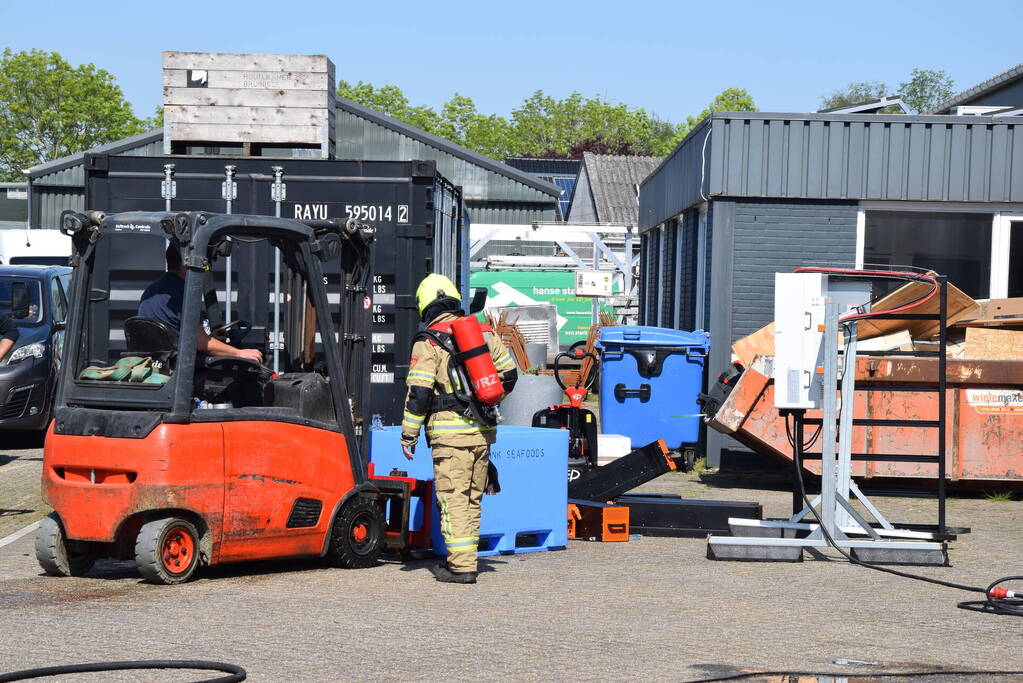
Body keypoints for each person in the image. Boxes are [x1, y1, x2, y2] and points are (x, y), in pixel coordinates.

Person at [399, 274, 517, 584]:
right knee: (472, 498)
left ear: (425, 306)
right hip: (483, 433)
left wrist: (409, 434)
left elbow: (419, 393)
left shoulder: (428, 341)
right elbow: (510, 376)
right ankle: (467, 557)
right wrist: (483, 402)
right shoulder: (484, 332)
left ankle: (461, 567)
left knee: (453, 500)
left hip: (450, 437)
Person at [139, 244, 263, 363]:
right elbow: (199, 342)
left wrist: (210, 338)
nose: (204, 268)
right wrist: (238, 353)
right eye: (202, 262)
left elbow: (179, 333)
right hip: (177, 365)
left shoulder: (151, 290)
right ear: (187, 262)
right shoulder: (184, 293)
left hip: (160, 361)